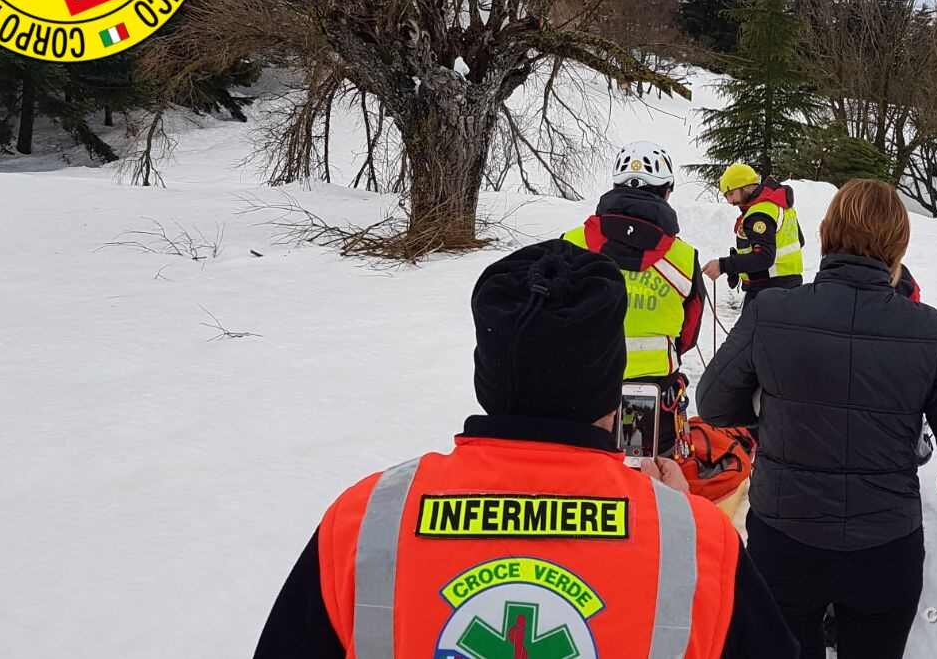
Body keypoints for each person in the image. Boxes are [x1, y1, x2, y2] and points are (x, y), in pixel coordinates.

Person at [254, 240, 798, 659]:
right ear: (613, 383)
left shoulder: (364, 520)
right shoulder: (698, 544)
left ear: (484, 376)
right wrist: (678, 517)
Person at [697, 179, 937, 659]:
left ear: (824, 234)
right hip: (886, 548)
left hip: (784, 538)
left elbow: (713, 402)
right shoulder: (928, 332)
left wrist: (769, 424)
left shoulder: (772, 313)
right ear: (898, 248)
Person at [564, 141, 704, 457]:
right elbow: (690, 330)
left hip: (580, 389)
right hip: (650, 392)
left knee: (581, 478)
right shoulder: (683, 258)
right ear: (667, 191)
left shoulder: (571, 244)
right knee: (643, 480)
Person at [701, 163, 804, 306]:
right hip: (790, 287)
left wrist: (723, 265)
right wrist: (740, 265)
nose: (730, 201)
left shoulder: (759, 214)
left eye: (731, 194)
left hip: (768, 292)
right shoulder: (778, 205)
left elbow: (764, 257)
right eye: (726, 196)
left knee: (743, 329)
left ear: (745, 187)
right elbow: (799, 241)